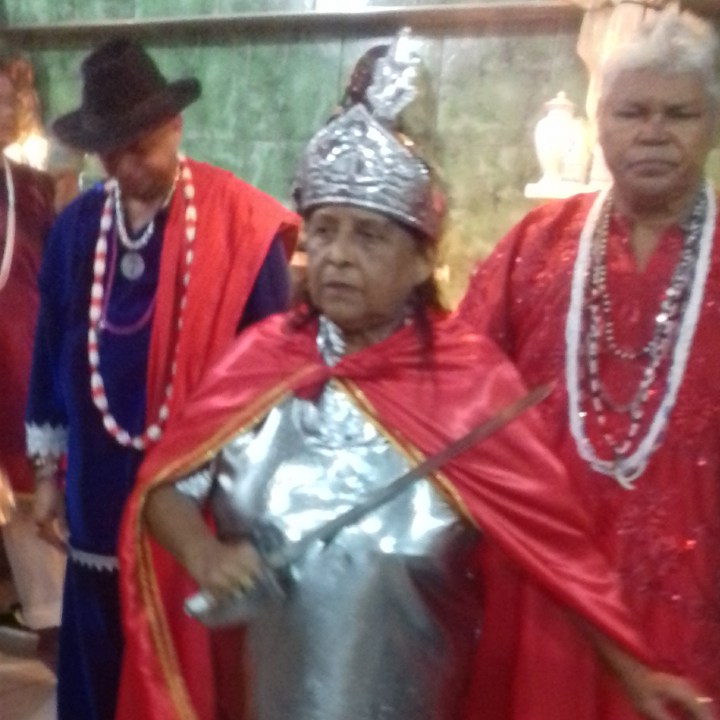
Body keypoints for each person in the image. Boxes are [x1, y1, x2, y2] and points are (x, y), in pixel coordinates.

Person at [116, 32, 711, 720]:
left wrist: (636, 673)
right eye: (324, 230)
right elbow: (165, 486)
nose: (338, 256)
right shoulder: (259, 364)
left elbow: (556, 555)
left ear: (423, 261)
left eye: (369, 236)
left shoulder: (468, 387)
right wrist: (204, 555)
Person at [24, 37, 298, 720]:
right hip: (95, 493)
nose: (123, 166)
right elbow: (51, 352)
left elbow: (274, 379)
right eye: (108, 152)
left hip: (200, 505)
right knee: (98, 662)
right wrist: (48, 475)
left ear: (175, 126)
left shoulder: (240, 228)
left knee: (182, 666)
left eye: (139, 147)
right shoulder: (76, 229)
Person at [458, 9, 720, 720]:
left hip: (689, 608)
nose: (654, 132)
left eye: (679, 114)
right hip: (542, 595)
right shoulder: (536, 246)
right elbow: (455, 393)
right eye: (632, 112)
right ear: (600, 121)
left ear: (712, 125)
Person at [0, 53, 64, 662]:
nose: (1, 113)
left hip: (18, 379)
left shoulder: (33, 190)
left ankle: (55, 640)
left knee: (37, 540)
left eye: (7, 102)